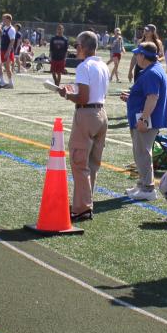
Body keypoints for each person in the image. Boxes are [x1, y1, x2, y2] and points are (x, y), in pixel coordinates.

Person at [58, 31, 110, 221]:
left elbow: (83, 97)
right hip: (101, 114)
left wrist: (66, 94)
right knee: (92, 164)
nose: (75, 49)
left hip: (86, 114)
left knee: (79, 162)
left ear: (82, 47)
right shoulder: (102, 65)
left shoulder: (84, 66)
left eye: (77, 45)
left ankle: (82, 207)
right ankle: (86, 203)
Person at [120, 40, 167, 200]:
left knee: (142, 153)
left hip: (146, 120)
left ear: (143, 56)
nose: (136, 57)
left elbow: (153, 97)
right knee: (139, 152)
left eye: (137, 54)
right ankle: (142, 184)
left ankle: (148, 189)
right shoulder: (152, 70)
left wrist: (143, 119)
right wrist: (132, 97)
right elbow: (147, 95)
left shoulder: (151, 73)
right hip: (144, 118)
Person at [0, 13, 16, 88]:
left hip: (7, 51)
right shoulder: (5, 27)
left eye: (4, 19)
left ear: (8, 20)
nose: (3, 20)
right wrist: (0, 31)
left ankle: (11, 83)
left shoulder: (11, 29)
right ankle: (2, 81)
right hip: (2, 49)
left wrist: (8, 52)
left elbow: (12, 41)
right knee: (1, 65)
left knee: (7, 67)